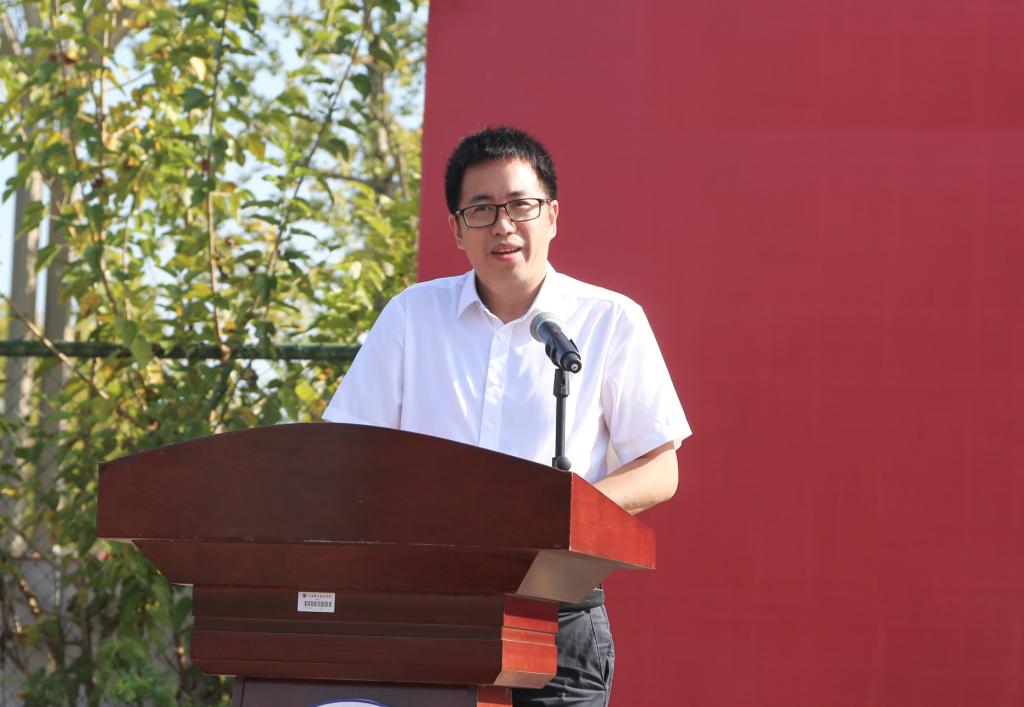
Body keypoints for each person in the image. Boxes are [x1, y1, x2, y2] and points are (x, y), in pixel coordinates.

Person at [323, 126, 690, 707]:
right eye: (482, 209)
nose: (503, 225)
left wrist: (562, 516)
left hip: (557, 613)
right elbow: (346, 454)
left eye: (521, 205)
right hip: (430, 608)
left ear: (552, 216)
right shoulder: (411, 317)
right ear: (456, 228)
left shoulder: (609, 320)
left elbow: (659, 468)